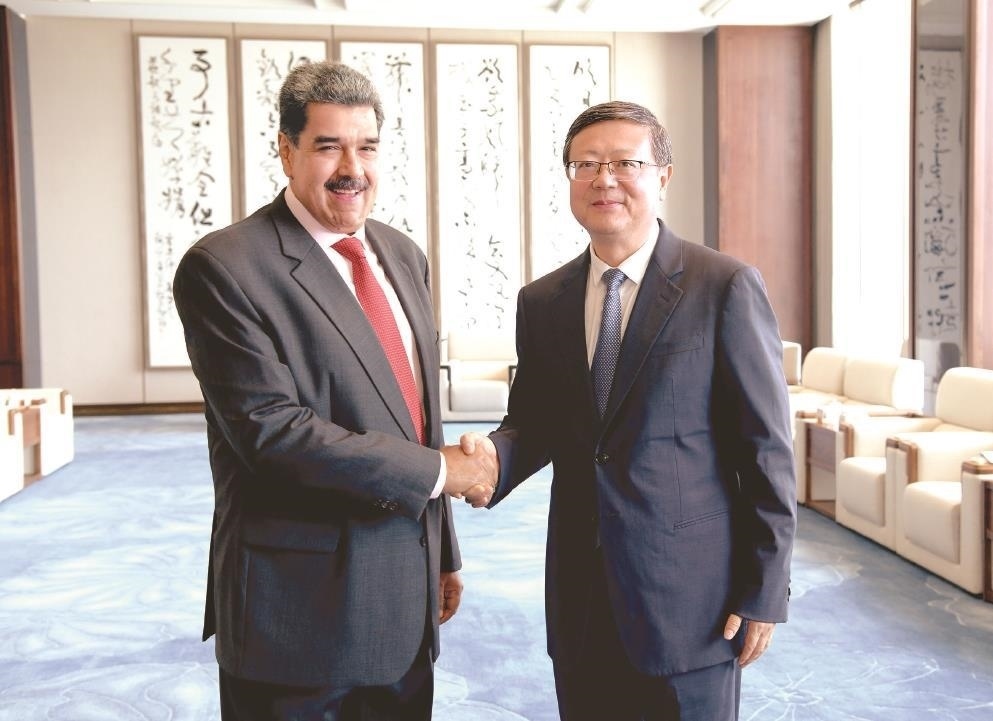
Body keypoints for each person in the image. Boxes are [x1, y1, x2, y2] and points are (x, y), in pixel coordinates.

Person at [172, 60, 494, 721]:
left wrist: (442, 552)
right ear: (286, 150)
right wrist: (442, 472)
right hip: (296, 613)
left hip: (404, 601)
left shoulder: (402, 255)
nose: (353, 168)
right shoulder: (224, 267)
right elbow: (272, 434)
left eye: (367, 147)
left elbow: (414, 417)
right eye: (328, 146)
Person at [461, 100, 797, 720]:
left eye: (624, 163)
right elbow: (535, 422)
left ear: (662, 176)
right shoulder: (543, 300)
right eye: (586, 164)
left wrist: (765, 586)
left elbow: (767, 449)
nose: (604, 179)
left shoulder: (722, 285)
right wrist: (491, 462)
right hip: (582, 597)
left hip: (692, 602)